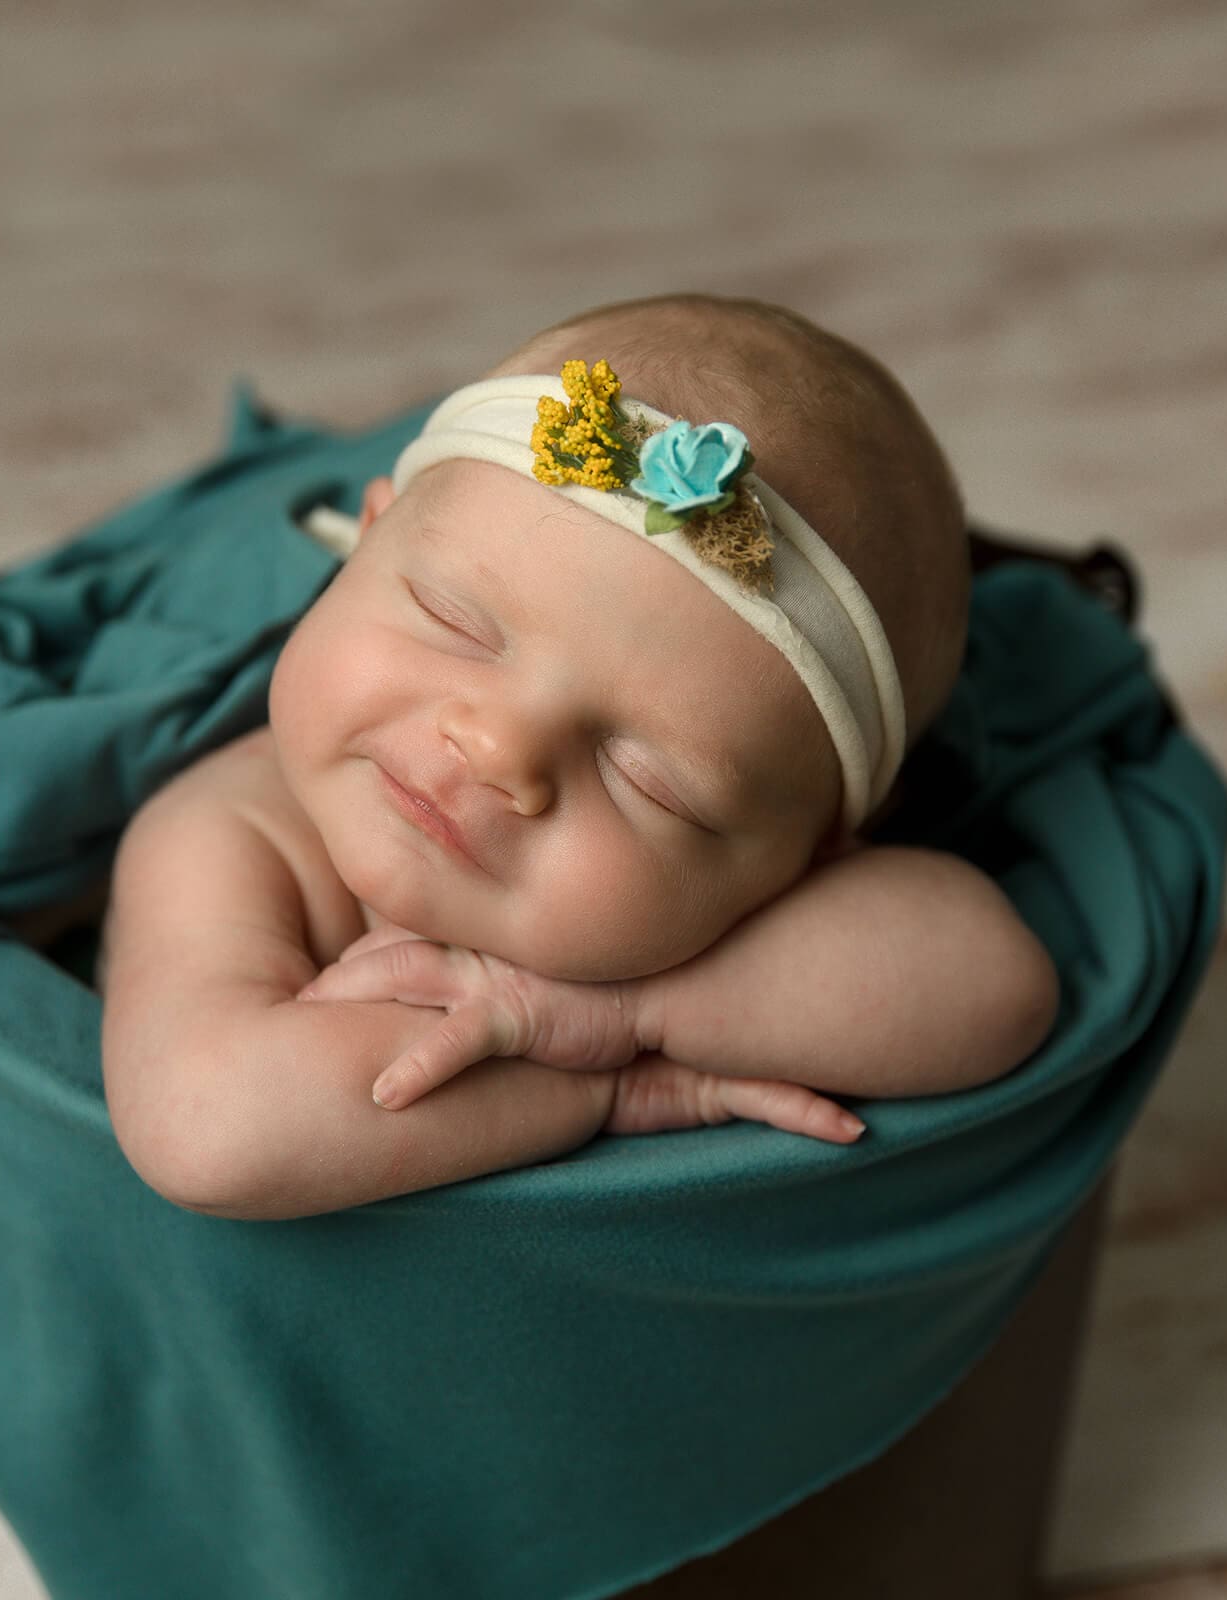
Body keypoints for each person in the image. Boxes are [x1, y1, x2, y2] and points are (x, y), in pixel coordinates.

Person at [94, 292, 1060, 1221]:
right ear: (366, 539)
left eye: (647, 780)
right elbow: (210, 1129)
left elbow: (1001, 989)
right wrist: (604, 1089)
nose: (497, 747)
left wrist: (625, 1011)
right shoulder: (230, 832)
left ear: (812, 855)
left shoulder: (717, 916)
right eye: (454, 622)